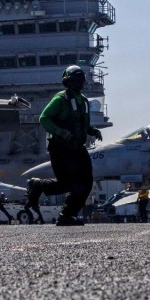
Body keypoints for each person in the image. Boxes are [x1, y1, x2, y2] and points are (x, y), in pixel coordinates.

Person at [24, 65, 102, 226]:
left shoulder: (84, 101)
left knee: (86, 184)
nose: (79, 83)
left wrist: (92, 130)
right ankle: (37, 185)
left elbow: (82, 124)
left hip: (77, 147)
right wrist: (61, 132)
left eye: (81, 80)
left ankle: (66, 215)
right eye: (75, 80)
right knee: (68, 183)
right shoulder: (60, 99)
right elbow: (44, 118)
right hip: (60, 148)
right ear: (68, 81)